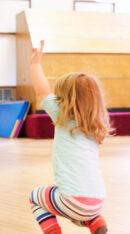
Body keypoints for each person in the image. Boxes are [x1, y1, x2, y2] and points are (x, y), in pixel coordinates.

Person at [29, 40, 110, 234]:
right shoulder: (95, 125)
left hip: (73, 201)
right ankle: (95, 222)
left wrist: (35, 64)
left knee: (35, 197)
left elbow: (42, 91)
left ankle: (53, 232)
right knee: (76, 212)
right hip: (97, 202)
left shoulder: (62, 115)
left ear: (63, 99)